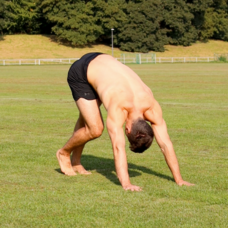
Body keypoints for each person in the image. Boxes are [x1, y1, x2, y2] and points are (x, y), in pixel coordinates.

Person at [56, 52, 194, 191]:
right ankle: (64, 153)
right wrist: (126, 184)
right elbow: (118, 147)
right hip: (82, 72)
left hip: (102, 63)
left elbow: (166, 144)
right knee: (95, 128)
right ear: (127, 130)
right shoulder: (120, 107)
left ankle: (76, 162)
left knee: (88, 119)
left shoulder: (151, 106)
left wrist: (179, 179)